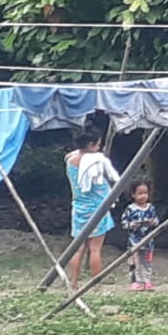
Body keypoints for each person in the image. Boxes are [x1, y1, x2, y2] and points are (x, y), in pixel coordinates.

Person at [66, 118, 119, 291]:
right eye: (98, 144)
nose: (99, 147)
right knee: (95, 249)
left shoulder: (70, 160)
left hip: (79, 207)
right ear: (91, 144)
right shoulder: (94, 162)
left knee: (78, 248)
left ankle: (73, 283)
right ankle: (96, 285)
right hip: (97, 208)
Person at [121, 182, 161, 292]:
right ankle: (135, 282)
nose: (143, 196)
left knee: (147, 261)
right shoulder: (130, 209)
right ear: (133, 194)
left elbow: (156, 220)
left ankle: (147, 281)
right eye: (140, 193)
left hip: (148, 240)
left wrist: (153, 222)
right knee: (134, 262)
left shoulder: (150, 208)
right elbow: (124, 223)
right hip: (134, 241)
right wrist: (133, 225)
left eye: (145, 193)